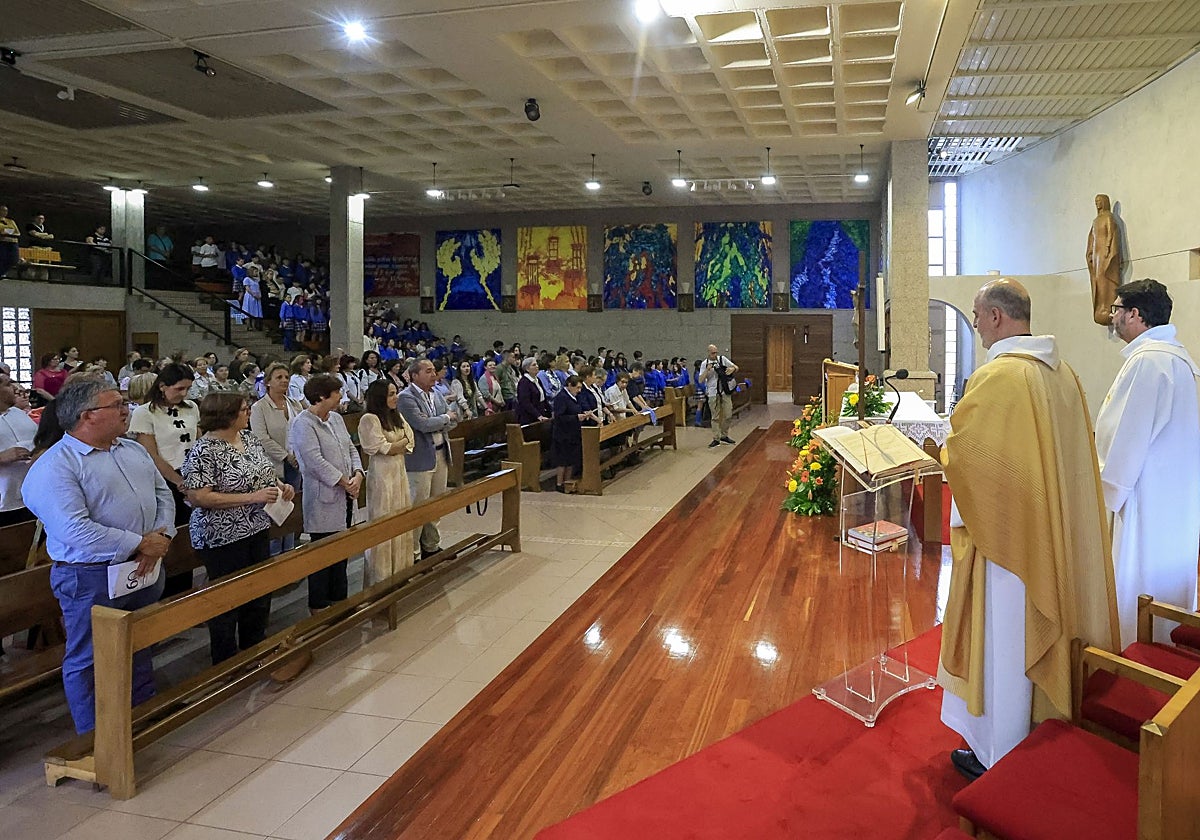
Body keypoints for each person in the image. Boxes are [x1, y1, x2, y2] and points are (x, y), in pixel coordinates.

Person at [938, 278, 1118, 781]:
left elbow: (971, 459)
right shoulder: (1064, 375)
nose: (975, 327)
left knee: (1004, 642)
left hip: (1010, 546)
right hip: (1049, 536)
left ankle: (1000, 751)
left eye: (976, 317)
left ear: (996, 316)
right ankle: (1038, 723)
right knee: (1025, 637)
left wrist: (944, 453)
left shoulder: (1001, 378)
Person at [22, 379, 174, 733]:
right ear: (87, 415)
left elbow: (161, 493)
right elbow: (74, 530)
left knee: (139, 641)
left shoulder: (130, 450)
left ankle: (140, 716)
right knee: (88, 657)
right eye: (117, 405)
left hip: (142, 565)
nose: (126, 410)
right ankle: (96, 740)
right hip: (89, 575)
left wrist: (161, 535)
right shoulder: (56, 466)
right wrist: (139, 542)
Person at [1094, 278, 1200, 646]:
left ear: (1135, 314)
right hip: (1175, 500)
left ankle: (1134, 658)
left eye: (1117, 310)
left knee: (1136, 578)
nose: (1113, 318)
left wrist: (1103, 493)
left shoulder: (1148, 363)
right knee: (1166, 578)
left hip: (1147, 499)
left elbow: (1126, 435)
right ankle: (1171, 650)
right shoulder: (1178, 361)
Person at [181, 392, 295, 664]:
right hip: (222, 535)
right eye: (244, 410)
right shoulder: (204, 450)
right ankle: (226, 661)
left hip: (256, 527)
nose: (248, 413)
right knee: (227, 600)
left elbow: (264, 472)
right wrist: (251, 498)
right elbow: (199, 497)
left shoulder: (249, 438)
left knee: (259, 592)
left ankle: (254, 649)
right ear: (226, 415)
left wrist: (281, 486)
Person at [288, 374, 363, 613]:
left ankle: (340, 601)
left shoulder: (337, 419)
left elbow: (350, 447)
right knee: (322, 556)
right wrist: (343, 481)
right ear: (322, 396)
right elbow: (313, 461)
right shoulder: (303, 423)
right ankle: (319, 606)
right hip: (323, 496)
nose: (341, 396)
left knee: (341, 553)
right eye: (337, 392)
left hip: (346, 494)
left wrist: (358, 473)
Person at [397, 359, 457, 560]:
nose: (434, 375)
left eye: (434, 371)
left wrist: (443, 420)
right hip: (420, 458)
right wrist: (445, 418)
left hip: (441, 452)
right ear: (414, 375)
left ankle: (431, 545)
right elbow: (422, 424)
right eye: (428, 371)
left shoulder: (437, 394)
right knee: (418, 505)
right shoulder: (406, 398)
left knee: (436, 503)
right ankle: (413, 552)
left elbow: (453, 421)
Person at [358, 379, 416, 585]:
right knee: (384, 520)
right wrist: (396, 445)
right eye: (391, 394)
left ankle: (400, 572)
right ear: (380, 397)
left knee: (401, 517)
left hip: (399, 472)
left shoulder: (396, 416)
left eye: (395, 393)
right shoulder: (369, 419)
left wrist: (396, 445)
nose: (395, 397)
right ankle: (381, 578)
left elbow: (411, 441)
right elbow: (382, 448)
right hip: (382, 476)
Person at [250, 362, 305, 555]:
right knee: (275, 510)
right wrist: (285, 456)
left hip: (295, 463)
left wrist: (298, 454)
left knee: (291, 506)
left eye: (286, 377)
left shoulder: (294, 404)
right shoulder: (259, 407)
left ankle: (289, 550)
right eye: (278, 377)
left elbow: (301, 430)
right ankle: (273, 554)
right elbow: (261, 438)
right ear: (268, 383)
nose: (284, 381)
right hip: (273, 465)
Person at [0, 371, 37, 525]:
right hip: (4, 503)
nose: (15, 389)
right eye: (8, 385)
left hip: (32, 496)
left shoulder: (18, 413)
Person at [550, 375, 593, 493]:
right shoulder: (561, 398)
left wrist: (584, 415)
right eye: (577, 388)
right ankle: (559, 483)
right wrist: (576, 417)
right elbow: (559, 417)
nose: (579, 391)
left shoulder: (574, 397)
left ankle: (568, 482)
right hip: (563, 434)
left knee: (571, 459)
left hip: (573, 432)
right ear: (569, 385)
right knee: (563, 460)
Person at [1086, 194, 1122, 326]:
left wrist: (1107, 248)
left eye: (1100, 201)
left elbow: (1111, 233)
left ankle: (1107, 305)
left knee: (1105, 279)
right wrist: (1089, 252)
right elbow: (1092, 238)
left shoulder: (1108, 217)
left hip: (1104, 254)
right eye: (1096, 202)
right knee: (1097, 280)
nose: (1097, 204)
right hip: (1096, 254)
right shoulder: (1096, 220)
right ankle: (1100, 305)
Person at [698, 345, 738, 447]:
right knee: (715, 416)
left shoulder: (722, 359)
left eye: (716, 352)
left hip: (724, 391)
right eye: (712, 353)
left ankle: (724, 434)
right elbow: (700, 380)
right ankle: (716, 438)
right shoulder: (704, 364)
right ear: (708, 352)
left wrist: (732, 369)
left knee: (728, 414)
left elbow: (736, 367)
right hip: (712, 392)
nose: (715, 355)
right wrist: (707, 370)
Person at [516, 357, 549, 424]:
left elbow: (543, 397)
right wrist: (538, 415)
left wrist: (549, 410)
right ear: (527, 369)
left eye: (537, 364)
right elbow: (525, 402)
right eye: (534, 365)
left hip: (540, 412)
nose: (537, 366)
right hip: (529, 417)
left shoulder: (537, 380)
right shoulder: (524, 382)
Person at [0, 204, 20, 279]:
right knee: (2, 258)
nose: (4, 212)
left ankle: (4, 271)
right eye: (2, 210)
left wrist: (5, 231)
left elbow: (17, 232)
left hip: (12, 242)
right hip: (2, 242)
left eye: (6, 211)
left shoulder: (10, 221)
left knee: (14, 259)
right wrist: (8, 231)